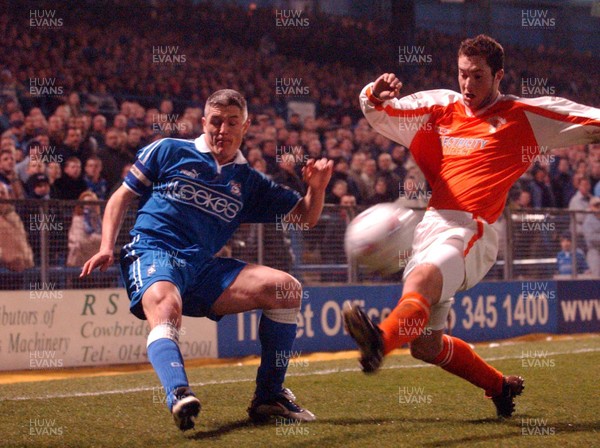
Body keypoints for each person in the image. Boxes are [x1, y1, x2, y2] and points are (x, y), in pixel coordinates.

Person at [344, 35, 600, 419]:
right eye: (463, 74)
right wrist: (374, 94)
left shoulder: (522, 115)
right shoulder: (440, 107)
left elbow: (589, 119)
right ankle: (500, 387)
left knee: (423, 282)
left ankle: (380, 340)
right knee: (425, 346)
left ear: (499, 76)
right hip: (430, 227)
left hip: (472, 229)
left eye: (477, 76)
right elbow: (381, 113)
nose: (467, 84)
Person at [80, 89, 332, 431]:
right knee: (166, 307)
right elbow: (120, 197)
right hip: (153, 250)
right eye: (215, 121)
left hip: (202, 267)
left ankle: (269, 396)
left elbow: (305, 218)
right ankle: (179, 393)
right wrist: (107, 245)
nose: (222, 130)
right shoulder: (168, 150)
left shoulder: (250, 182)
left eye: (231, 123)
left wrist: (316, 188)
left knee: (286, 289)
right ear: (203, 122)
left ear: (245, 127)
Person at [582, 196, 600, 277]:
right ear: (591, 207)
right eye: (596, 205)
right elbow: (591, 238)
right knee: (596, 277)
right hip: (594, 252)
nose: (598, 207)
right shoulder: (588, 220)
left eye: (599, 205)